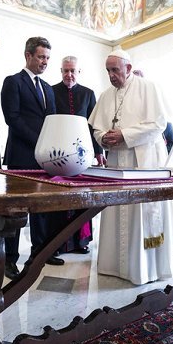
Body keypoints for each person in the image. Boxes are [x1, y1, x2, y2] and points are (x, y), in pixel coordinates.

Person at [88, 50, 173, 285]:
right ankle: (114, 265)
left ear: (128, 68)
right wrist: (103, 138)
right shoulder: (106, 95)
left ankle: (147, 269)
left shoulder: (148, 87)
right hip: (116, 162)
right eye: (108, 70)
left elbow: (158, 124)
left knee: (143, 214)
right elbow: (97, 128)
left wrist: (124, 135)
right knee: (116, 211)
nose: (111, 75)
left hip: (143, 162)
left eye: (115, 70)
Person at [1, 36, 58, 280]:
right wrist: (39, 141)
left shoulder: (48, 88)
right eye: (41, 57)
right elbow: (12, 118)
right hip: (21, 155)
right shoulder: (13, 82)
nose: (45, 62)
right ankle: (9, 259)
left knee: (41, 208)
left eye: (47, 58)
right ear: (28, 55)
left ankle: (40, 253)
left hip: (44, 158)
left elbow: (52, 121)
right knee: (16, 210)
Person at [51, 56, 105, 255]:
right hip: (58, 154)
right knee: (59, 198)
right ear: (61, 71)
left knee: (82, 197)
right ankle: (57, 244)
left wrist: (99, 152)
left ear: (78, 72)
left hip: (82, 154)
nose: (69, 74)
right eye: (65, 70)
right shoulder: (51, 91)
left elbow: (94, 126)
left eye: (72, 70)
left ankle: (80, 242)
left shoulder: (88, 93)